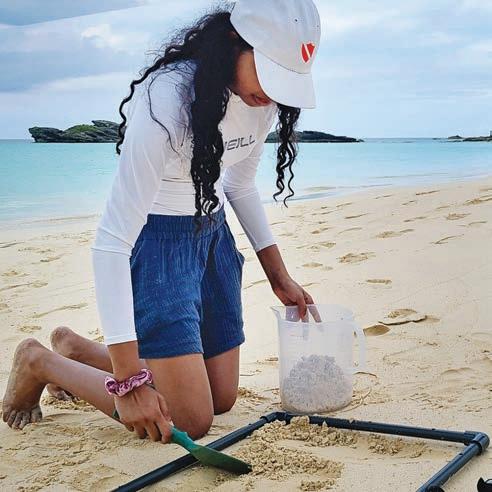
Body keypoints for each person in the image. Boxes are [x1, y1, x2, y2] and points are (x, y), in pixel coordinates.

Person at [2, 0, 321, 442]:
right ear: (234, 42)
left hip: (213, 236)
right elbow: (112, 241)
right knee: (191, 419)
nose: (273, 92)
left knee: (221, 397)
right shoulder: (166, 98)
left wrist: (278, 276)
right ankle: (40, 361)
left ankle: (77, 349)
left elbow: (240, 185)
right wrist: (128, 381)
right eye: (270, 72)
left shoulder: (262, 99)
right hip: (157, 243)